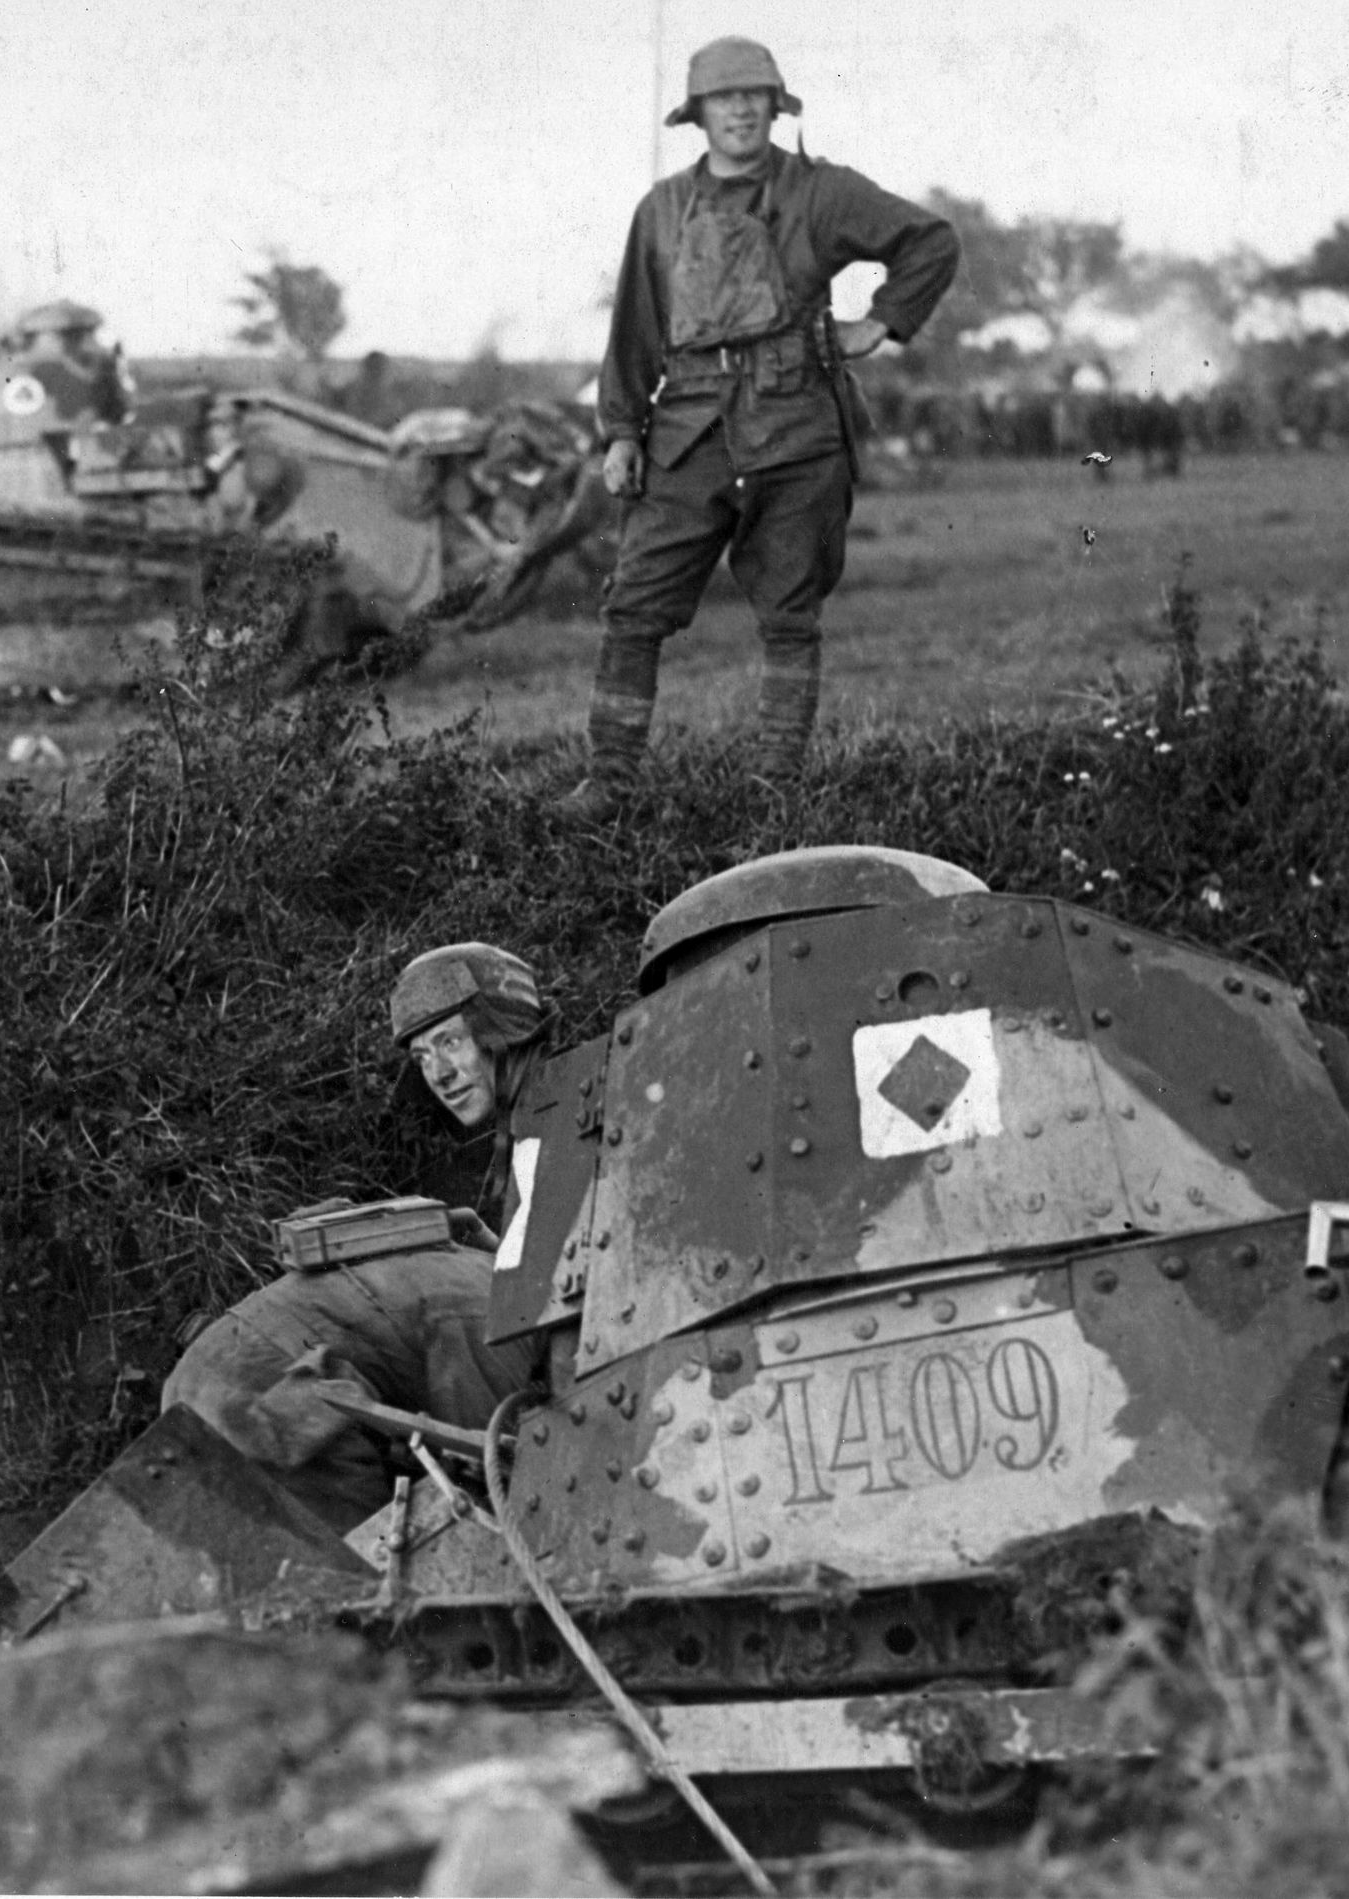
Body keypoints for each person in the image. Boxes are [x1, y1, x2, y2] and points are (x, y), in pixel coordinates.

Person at [562, 36, 958, 823]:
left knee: (789, 612)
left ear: (776, 105)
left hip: (796, 427)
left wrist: (878, 325)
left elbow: (929, 242)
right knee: (634, 605)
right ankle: (609, 783)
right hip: (688, 429)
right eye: (724, 97)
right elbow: (636, 330)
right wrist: (621, 431)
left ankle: (774, 791)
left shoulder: (822, 193)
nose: (740, 109)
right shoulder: (664, 210)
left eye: (754, 95)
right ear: (698, 113)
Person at [160, 943, 551, 1531]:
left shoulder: (538, 1142)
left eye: (449, 1042)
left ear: (503, 1030)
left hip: (222, 1381)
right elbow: (498, 1456)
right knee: (378, 1585)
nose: (438, 1074)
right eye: (423, 1055)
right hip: (260, 1395)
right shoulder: (477, 1303)